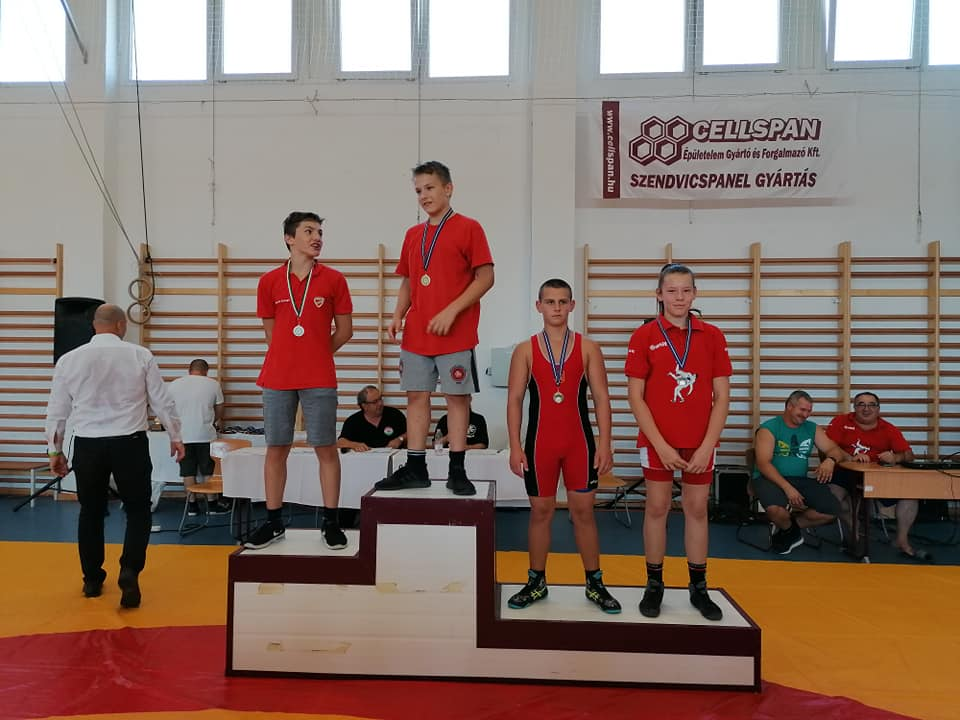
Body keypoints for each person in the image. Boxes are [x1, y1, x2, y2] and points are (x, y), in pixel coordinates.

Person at [45, 303, 184, 608]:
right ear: (121, 325)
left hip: (88, 444)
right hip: (129, 442)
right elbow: (162, 402)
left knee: (90, 512)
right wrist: (175, 436)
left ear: (94, 326)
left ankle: (92, 579)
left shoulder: (69, 359)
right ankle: (130, 570)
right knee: (138, 510)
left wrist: (55, 450)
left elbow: (57, 410)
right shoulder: (140, 355)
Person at [375, 161, 494, 496]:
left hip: (455, 331)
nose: (423, 196)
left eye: (429, 188)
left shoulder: (469, 227)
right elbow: (409, 280)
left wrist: (452, 310)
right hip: (417, 332)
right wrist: (398, 314)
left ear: (448, 188)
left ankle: (458, 470)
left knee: (457, 398)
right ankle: (416, 468)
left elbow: (486, 277)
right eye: (418, 191)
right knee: (416, 396)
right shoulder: (413, 234)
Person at [506, 279, 620, 614]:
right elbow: (514, 400)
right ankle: (536, 581)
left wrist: (605, 443)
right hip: (539, 444)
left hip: (579, 444)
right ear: (538, 306)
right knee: (540, 512)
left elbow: (601, 398)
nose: (556, 308)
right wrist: (514, 446)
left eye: (562, 302)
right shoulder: (525, 350)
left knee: (583, 513)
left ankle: (595, 583)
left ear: (572, 305)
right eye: (549, 302)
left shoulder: (588, 348)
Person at [626, 263, 730, 621]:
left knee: (697, 509)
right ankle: (654, 584)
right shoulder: (644, 336)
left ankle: (698, 587)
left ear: (695, 293)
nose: (679, 297)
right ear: (659, 294)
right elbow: (636, 397)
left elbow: (722, 396)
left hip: (700, 442)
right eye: (671, 291)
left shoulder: (712, 335)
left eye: (686, 290)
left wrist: (707, 445)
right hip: (659, 441)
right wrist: (661, 445)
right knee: (657, 508)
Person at [245, 211, 354, 551]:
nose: (317, 237)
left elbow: (345, 330)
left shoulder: (334, 279)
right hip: (277, 376)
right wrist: (291, 355)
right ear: (289, 238)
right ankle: (273, 521)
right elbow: (271, 333)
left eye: (319, 232)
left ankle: (331, 522)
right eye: (309, 231)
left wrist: (316, 354)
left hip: (319, 376)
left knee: (325, 447)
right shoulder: (269, 281)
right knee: (277, 448)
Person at [826, 392, 926, 560]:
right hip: (844, 472)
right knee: (832, 497)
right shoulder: (841, 422)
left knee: (910, 494)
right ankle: (855, 531)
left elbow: (909, 455)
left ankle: (901, 540)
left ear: (878, 409)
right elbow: (827, 448)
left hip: (878, 476)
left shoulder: (888, 428)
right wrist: (850, 457)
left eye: (871, 405)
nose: (866, 409)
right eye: (861, 404)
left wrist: (896, 457)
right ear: (854, 407)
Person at [752, 390, 847, 555]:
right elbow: (763, 464)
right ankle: (790, 531)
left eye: (809, 411)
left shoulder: (812, 428)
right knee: (775, 510)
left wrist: (830, 461)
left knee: (832, 510)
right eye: (802, 410)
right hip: (769, 478)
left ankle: (789, 530)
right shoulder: (769, 428)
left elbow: (835, 450)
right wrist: (788, 488)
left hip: (800, 480)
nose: (806, 415)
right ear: (789, 406)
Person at [168, 358, 229, 516]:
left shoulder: (174, 384)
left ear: (189, 370)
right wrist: (212, 421)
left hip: (183, 435)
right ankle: (212, 505)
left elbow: (168, 408)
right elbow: (220, 408)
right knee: (208, 470)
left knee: (188, 471)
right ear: (206, 371)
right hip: (205, 434)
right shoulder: (213, 384)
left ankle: (192, 506)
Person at [337, 385, 407, 452]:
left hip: (395, 457)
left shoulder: (395, 414)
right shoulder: (353, 421)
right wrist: (354, 445)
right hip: (366, 458)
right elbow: (340, 442)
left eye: (380, 399)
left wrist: (400, 439)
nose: (380, 403)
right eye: (375, 402)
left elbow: (410, 432)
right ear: (364, 406)